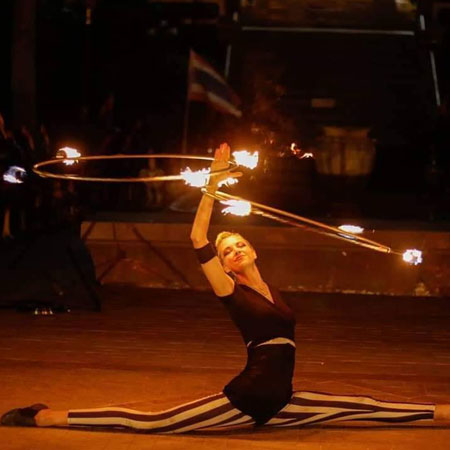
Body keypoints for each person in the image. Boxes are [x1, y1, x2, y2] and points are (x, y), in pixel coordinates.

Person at [2, 143, 450, 432]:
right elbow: (198, 239)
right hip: (248, 398)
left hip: (284, 402)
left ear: (252, 250)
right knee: (150, 421)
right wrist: (213, 181)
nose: (232, 250)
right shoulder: (231, 290)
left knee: (369, 406)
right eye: (227, 249)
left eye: (237, 244)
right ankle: (43, 417)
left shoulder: (270, 288)